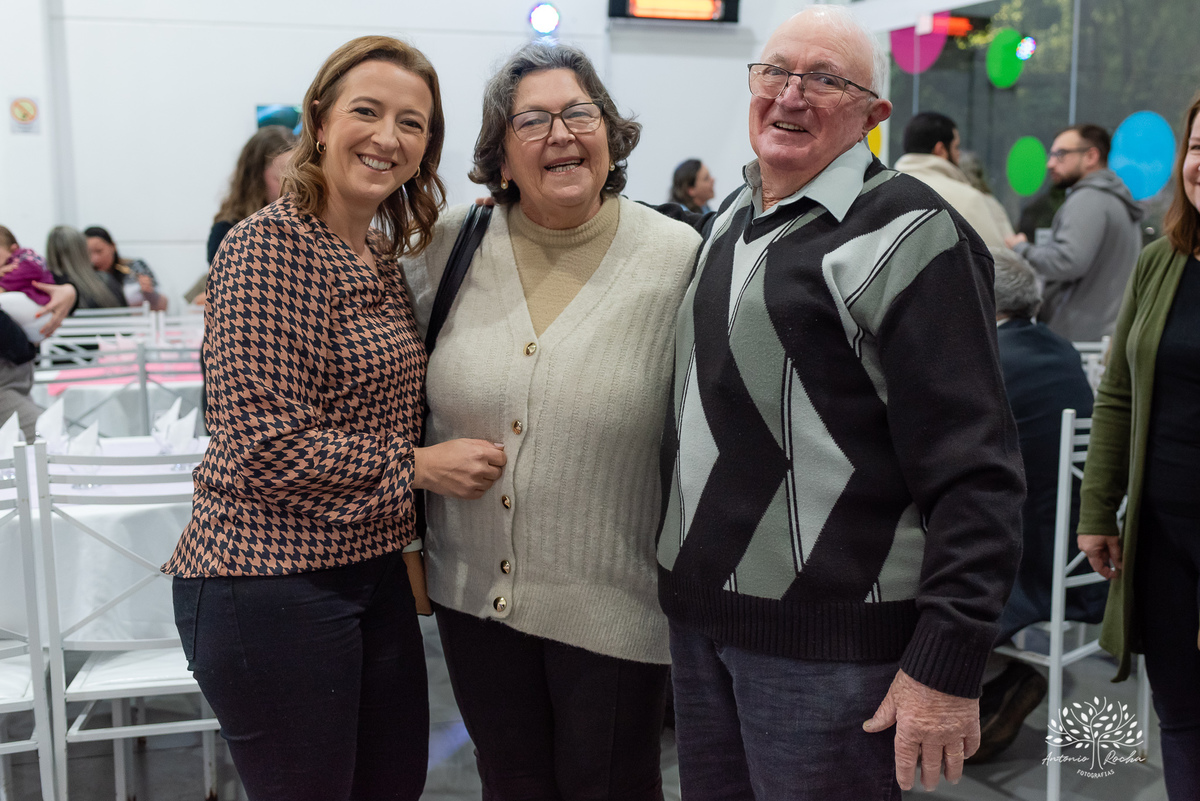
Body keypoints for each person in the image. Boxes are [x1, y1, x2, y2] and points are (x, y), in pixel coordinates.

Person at [655, 7, 1025, 798]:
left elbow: (978, 471)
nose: (791, 94)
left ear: (873, 114)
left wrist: (947, 662)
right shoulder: (730, 218)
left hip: (833, 654)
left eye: (826, 79)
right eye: (775, 72)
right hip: (700, 630)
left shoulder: (915, 235)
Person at [163, 35, 504, 801]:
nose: (388, 137)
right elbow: (263, 444)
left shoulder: (380, 255)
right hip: (267, 577)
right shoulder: (268, 248)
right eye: (368, 111)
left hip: (368, 568)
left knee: (392, 783)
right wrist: (420, 465)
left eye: (412, 123)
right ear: (319, 122)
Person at [402, 42, 700, 800]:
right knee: (511, 785)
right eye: (531, 121)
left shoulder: (678, 257)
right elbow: (381, 390)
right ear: (499, 157)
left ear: (612, 135)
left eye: (579, 112)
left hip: (617, 602)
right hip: (473, 600)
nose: (560, 134)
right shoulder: (447, 250)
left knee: (611, 786)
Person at [1077, 91, 1200, 800]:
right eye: (1197, 146)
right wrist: (1100, 508)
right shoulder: (1162, 263)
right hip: (1161, 533)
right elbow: (1119, 391)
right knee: (1181, 717)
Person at [973, 247, 1107, 762]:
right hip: (1076, 554)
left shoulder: (992, 360)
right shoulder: (1058, 349)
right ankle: (995, 685)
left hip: (1025, 561)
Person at [1006, 124, 1143, 342]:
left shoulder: (1089, 198)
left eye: (1061, 154)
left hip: (1079, 338)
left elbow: (1068, 261)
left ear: (1091, 156)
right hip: (1102, 334)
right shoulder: (1114, 199)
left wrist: (1021, 248)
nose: (1050, 163)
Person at [184, 125, 298, 306]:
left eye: (298, 177)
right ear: (256, 179)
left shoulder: (305, 223)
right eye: (281, 178)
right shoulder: (228, 230)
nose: (292, 187)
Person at [894, 112, 1014, 249]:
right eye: (956, 147)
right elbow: (997, 264)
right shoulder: (969, 200)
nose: (959, 155)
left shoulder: (880, 191)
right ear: (940, 150)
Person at [0, 284, 76, 442]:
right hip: (6, 385)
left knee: (47, 440)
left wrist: (70, 291)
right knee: (46, 443)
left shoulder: (15, 266)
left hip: (19, 382)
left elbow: (55, 283)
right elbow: (20, 350)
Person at [83, 225, 168, 310]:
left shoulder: (135, 268)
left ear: (113, 246)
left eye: (99, 251)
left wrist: (149, 293)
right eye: (88, 253)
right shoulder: (83, 276)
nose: (94, 259)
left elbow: (162, 306)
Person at [45, 226, 124, 310]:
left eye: (99, 251)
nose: (94, 259)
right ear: (82, 250)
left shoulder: (45, 286)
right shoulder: (104, 281)